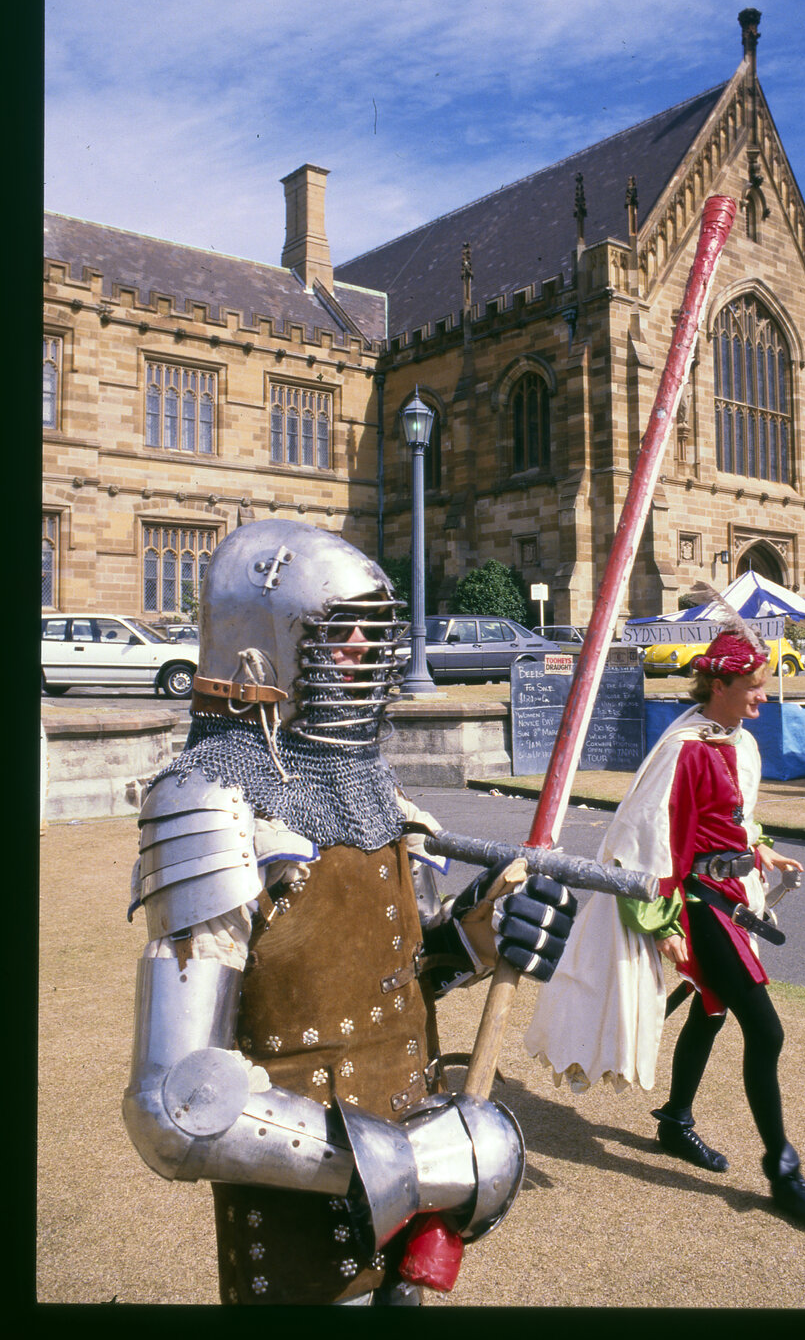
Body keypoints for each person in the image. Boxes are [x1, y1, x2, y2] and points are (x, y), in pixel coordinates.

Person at [123, 519, 577, 1306]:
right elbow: (171, 1108)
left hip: (412, 1216)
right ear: (262, 645)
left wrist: (480, 936)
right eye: (341, 628)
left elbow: (396, 974)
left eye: (376, 627)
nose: (365, 645)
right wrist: (400, 1163)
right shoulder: (210, 805)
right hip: (303, 1227)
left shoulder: (373, 789)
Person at [524, 628, 805, 1229]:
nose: (763, 699)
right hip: (694, 904)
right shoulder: (684, 748)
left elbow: (736, 818)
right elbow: (641, 843)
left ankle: (675, 1120)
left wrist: (761, 850)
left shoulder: (735, 740)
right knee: (766, 1032)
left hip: (731, 892)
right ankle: (784, 1171)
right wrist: (662, 921)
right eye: (753, 688)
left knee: (711, 1008)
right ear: (719, 684)